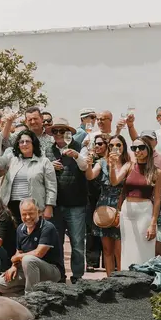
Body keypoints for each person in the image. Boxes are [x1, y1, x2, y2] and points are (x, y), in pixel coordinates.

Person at [110, 135, 161, 267]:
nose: (138, 150)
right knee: (127, 247)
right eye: (134, 148)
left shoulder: (157, 171)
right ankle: (127, 278)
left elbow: (157, 199)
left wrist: (153, 223)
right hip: (127, 209)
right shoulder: (129, 166)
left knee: (145, 247)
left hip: (145, 209)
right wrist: (112, 166)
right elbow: (114, 181)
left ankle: (144, 279)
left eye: (141, 147)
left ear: (148, 149)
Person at [47, 119, 89, 281]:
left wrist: (76, 156)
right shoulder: (48, 150)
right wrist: (49, 165)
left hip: (76, 204)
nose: (59, 134)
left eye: (62, 131)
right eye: (55, 131)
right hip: (55, 204)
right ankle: (59, 275)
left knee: (77, 243)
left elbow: (85, 167)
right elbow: (41, 170)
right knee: (56, 243)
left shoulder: (80, 148)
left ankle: (77, 276)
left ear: (69, 133)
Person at [0, 199, 63, 295]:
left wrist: (17, 258)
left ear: (38, 212)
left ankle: (31, 296)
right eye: (24, 214)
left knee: (28, 259)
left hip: (52, 271)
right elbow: (19, 251)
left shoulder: (48, 227)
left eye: (31, 213)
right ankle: (37, 291)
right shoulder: (20, 228)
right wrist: (13, 266)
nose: (27, 217)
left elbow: (39, 253)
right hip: (28, 270)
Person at [0, 128, 56, 225]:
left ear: (33, 143)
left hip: (33, 208)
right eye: (21, 142)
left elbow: (51, 186)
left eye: (27, 141)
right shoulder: (12, 159)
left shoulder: (44, 162)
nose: (24, 144)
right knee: (14, 238)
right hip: (11, 207)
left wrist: (49, 206)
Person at [89, 134, 126, 273]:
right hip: (104, 204)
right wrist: (87, 165)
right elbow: (90, 175)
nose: (115, 148)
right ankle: (110, 281)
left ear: (124, 146)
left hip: (120, 205)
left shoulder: (128, 163)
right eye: (111, 145)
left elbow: (116, 181)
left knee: (119, 249)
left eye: (118, 145)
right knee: (107, 249)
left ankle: (123, 281)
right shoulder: (102, 162)